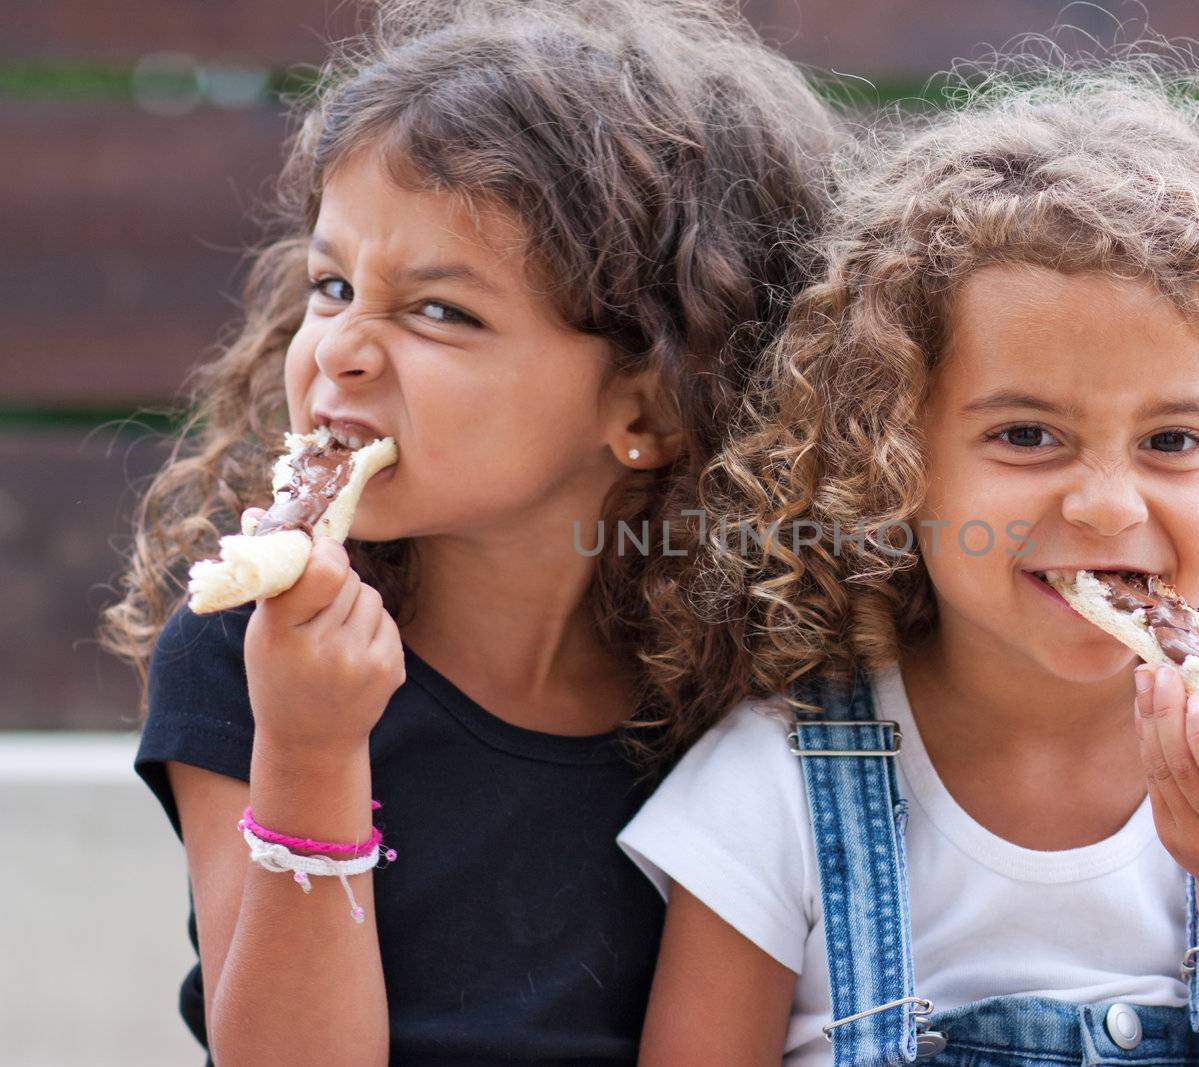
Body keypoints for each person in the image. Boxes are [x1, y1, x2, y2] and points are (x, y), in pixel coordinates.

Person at [623, 57, 1199, 1066]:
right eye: (1028, 435)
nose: (1108, 503)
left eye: (1171, 440)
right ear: (894, 461)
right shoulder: (771, 782)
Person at [99, 1, 841, 1062]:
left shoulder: (751, 684)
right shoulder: (250, 655)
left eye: (440, 311)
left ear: (649, 409)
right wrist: (312, 746)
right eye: (333, 285)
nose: (340, 350)